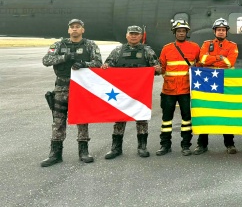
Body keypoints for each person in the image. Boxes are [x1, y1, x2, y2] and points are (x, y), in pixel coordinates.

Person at [41, 19, 102, 167]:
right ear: (68, 30)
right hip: (62, 86)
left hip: (81, 87)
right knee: (58, 120)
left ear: (83, 30)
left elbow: (98, 63)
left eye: (78, 27)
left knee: (82, 118)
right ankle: (55, 154)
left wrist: (83, 64)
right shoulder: (59, 44)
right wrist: (65, 57)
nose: (75, 29)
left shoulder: (90, 45)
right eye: (72, 27)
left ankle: (84, 152)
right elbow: (46, 60)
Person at [101, 25, 161, 159]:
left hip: (140, 92)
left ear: (141, 36)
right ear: (126, 35)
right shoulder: (118, 50)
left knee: (141, 119)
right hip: (121, 92)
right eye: (131, 34)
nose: (133, 36)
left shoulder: (147, 51)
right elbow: (108, 65)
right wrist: (105, 67)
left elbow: (158, 69)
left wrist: (157, 69)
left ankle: (142, 147)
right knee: (119, 119)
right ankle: (116, 148)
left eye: (136, 34)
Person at [194, 18, 239, 154]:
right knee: (205, 111)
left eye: (223, 30)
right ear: (214, 31)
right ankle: (202, 144)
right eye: (218, 30)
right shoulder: (206, 44)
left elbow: (229, 63)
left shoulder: (232, 45)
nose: (221, 32)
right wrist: (219, 58)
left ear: (226, 32)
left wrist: (211, 60)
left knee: (226, 112)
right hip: (207, 82)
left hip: (225, 81)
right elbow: (202, 59)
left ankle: (229, 144)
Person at [156, 19, 200, 156]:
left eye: (183, 31)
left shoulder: (195, 47)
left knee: (187, 120)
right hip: (168, 90)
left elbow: (200, 66)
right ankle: (165, 145)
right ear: (174, 33)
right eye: (178, 31)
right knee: (166, 120)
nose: (181, 33)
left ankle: (186, 145)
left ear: (187, 32)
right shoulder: (166, 48)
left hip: (186, 90)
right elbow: (161, 67)